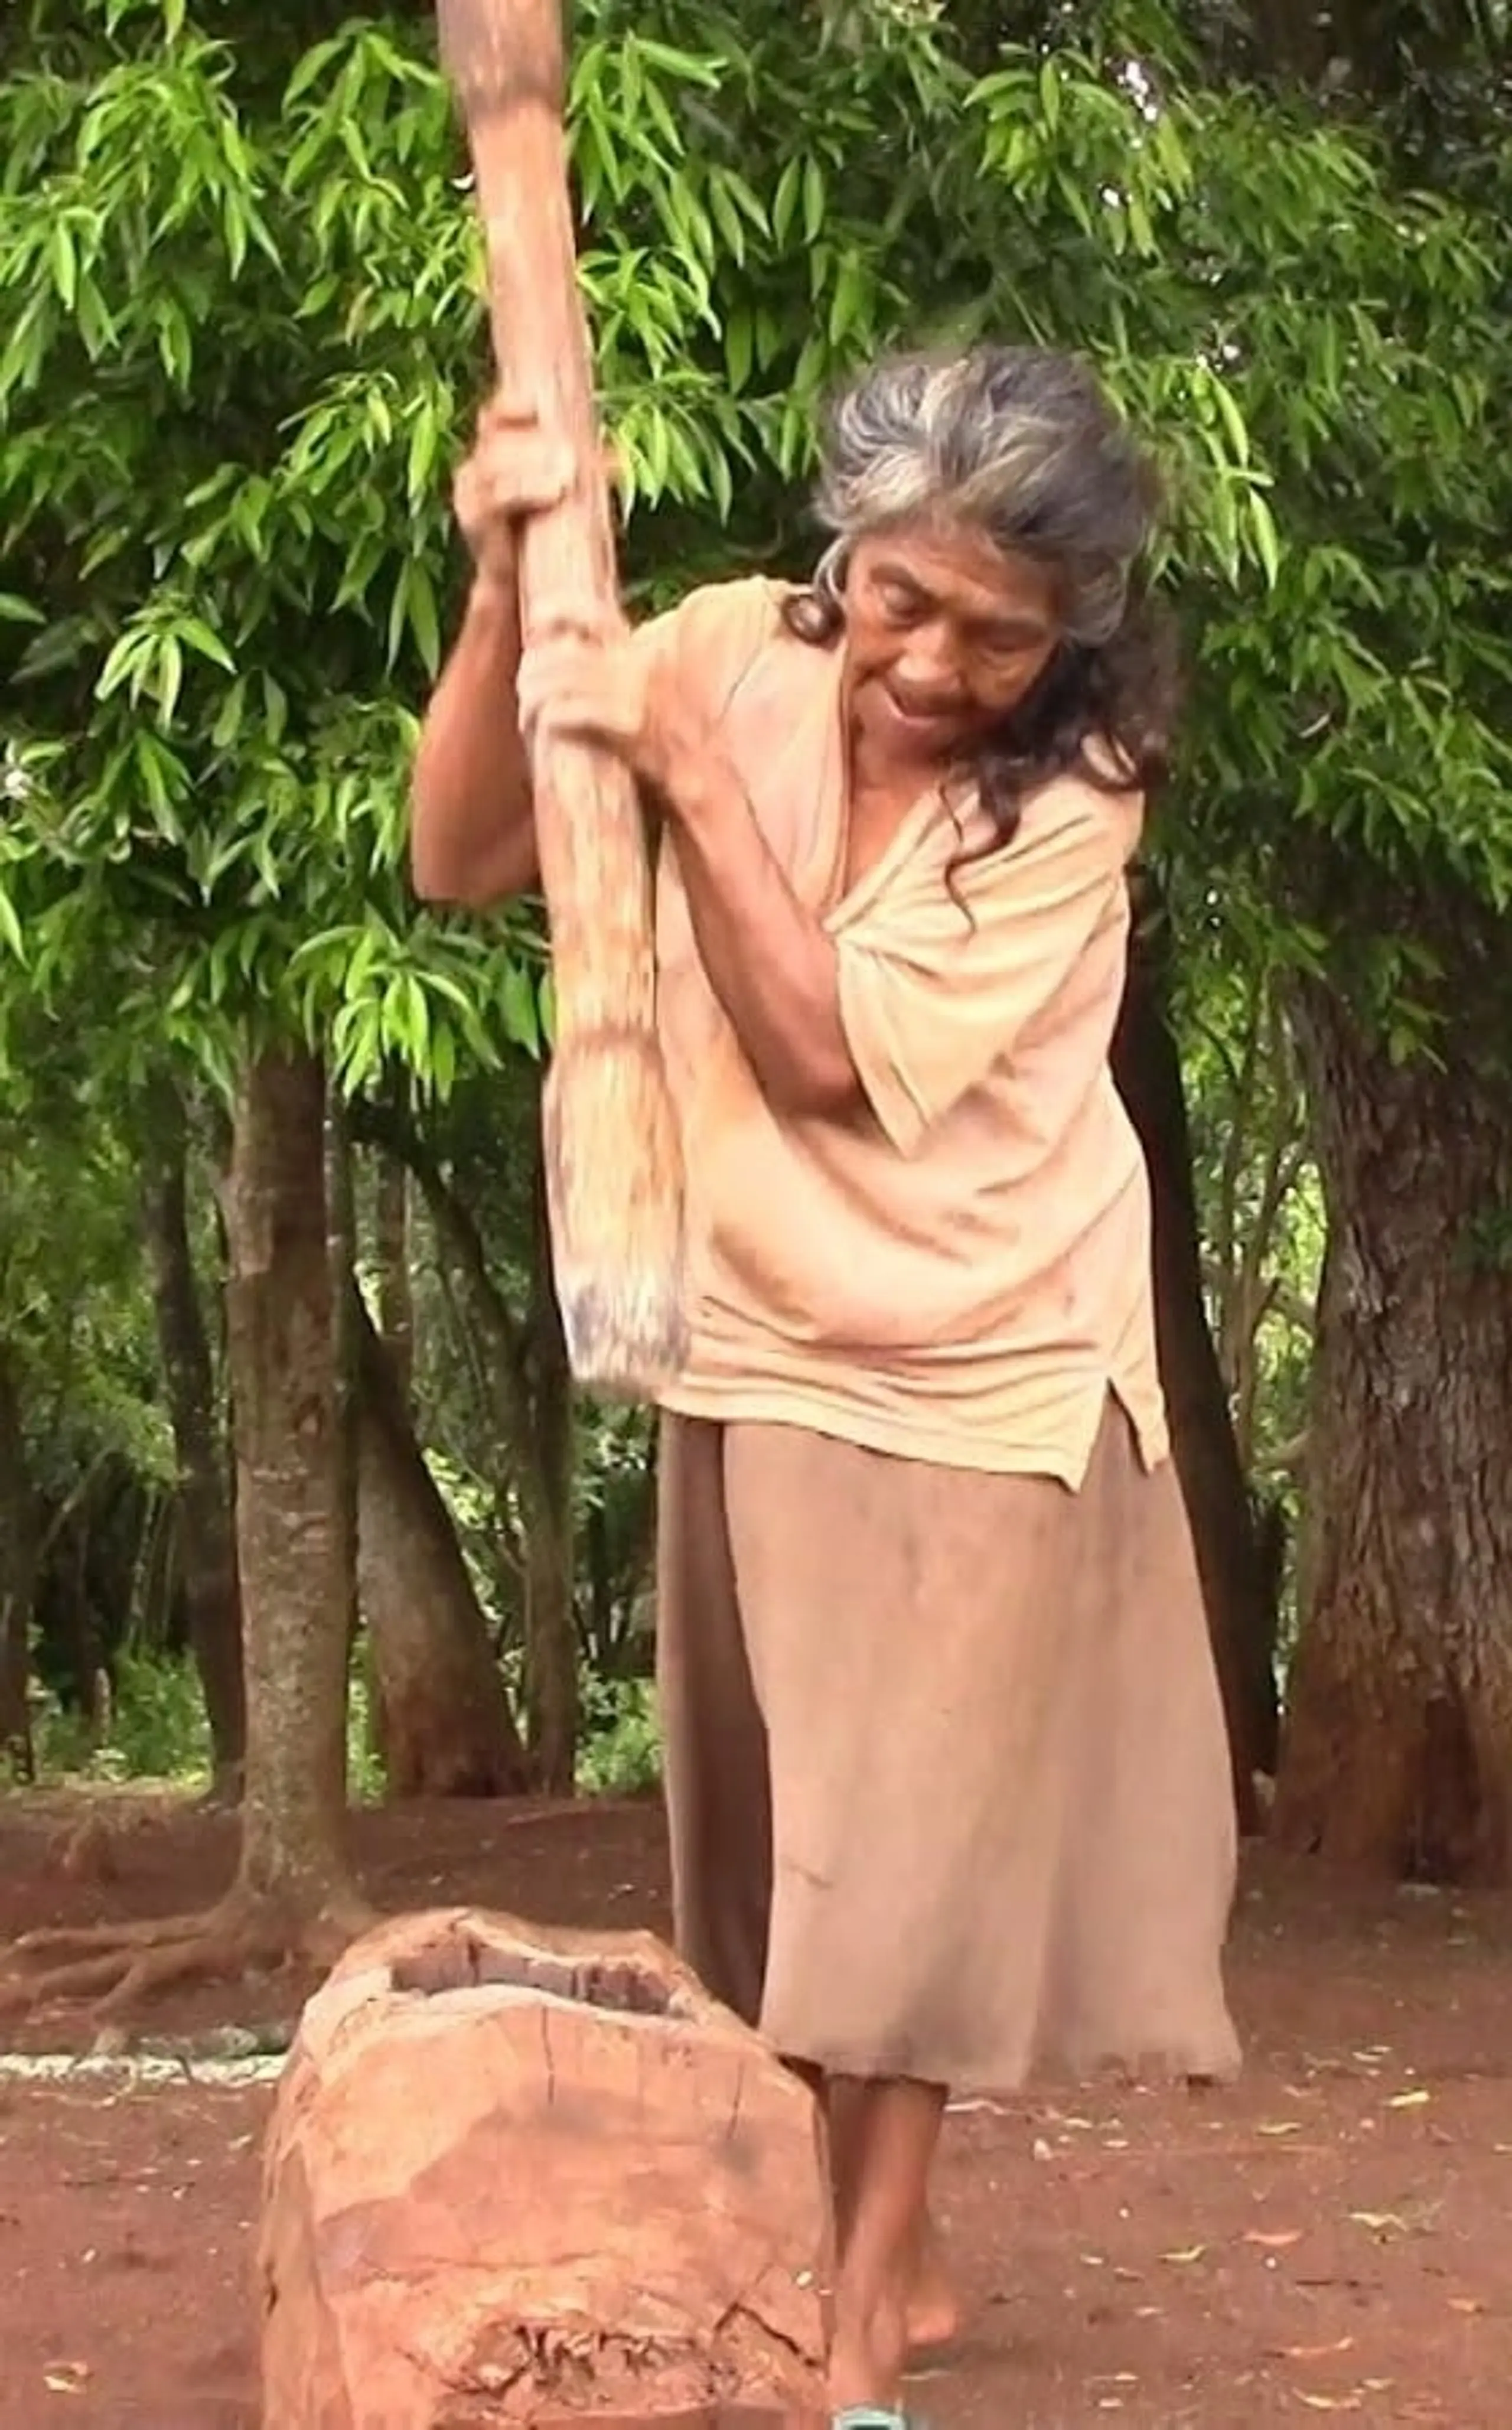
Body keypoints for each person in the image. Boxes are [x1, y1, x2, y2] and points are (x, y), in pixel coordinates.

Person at [410, 344, 1240, 2430]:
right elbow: (460, 856)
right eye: (905, 598)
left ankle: (850, 2349)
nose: (940, 661)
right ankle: (891, 2262)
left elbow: (819, 1056)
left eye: (1003, 632)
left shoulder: (1073, 804)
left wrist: (683, 768)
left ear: (1076, 644)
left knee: (903, 1892)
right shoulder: (721, 655)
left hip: (985, 1364)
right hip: (764, 1343)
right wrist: (516, 592)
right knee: (780, 1880)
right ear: (843, 550)